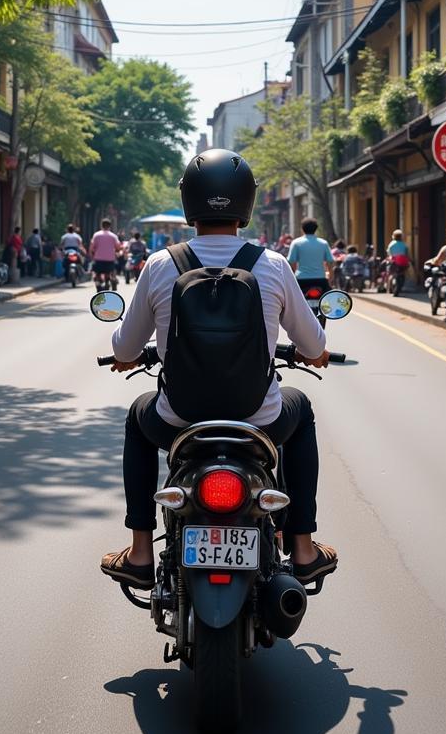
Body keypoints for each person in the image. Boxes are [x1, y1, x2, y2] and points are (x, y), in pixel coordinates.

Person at [101, 148, 337, 589]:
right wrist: (314, 353)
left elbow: (127, 344)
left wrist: (126, 356)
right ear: (246, 204)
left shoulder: (159, 265)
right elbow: (313, 343)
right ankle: (303, 547)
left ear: (189, 204)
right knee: (300, 411)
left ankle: (139, 550)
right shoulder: (271, 264)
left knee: (138, 417)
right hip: (259, 419)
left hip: (178, 420)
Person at [288, 218, 334, 296]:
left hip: (301, 280)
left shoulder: (296, 243)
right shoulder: (323, 243)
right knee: (327, 301)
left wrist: (293, 278)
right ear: (316, 229)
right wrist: (330, 278)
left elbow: (292, 262)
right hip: (320, 280)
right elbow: (330, 262)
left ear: (302, 229)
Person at [89, 219, 122, 284]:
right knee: (109, 271)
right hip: (110, 260)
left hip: (98, 259)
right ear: (110, 226)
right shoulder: (113, 236)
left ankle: (98, 282)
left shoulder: (96, 235)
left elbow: (91, 248)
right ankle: (108, 280)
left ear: (101, 225)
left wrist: (91, 256)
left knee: (97, 272)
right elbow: (118, 247)